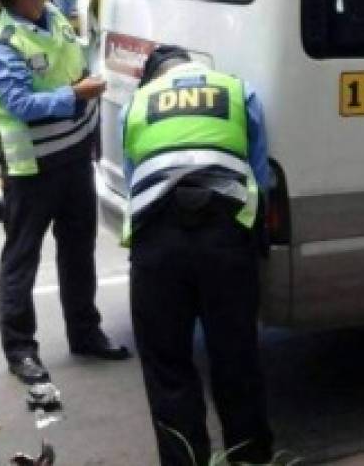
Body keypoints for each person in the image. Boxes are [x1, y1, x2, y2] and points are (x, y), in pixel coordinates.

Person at [0, 0, 131, 385]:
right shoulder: (4, 47)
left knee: (78, 249)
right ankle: (20, 350)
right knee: (21, 259)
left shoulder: (54, 8)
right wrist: (77, 93)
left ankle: (85, 333)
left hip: (73, 162)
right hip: (31, 171)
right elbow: (21, 105)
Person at [122, 45, 274, 466]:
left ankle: (184, 460)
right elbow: (259, 178)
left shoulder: (136, 104)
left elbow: (135, 177)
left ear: (154, 78)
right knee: (236, 357)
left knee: (167, 365)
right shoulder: (239, 91)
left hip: (157, 242)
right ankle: (250, 459)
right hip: (226, 236)